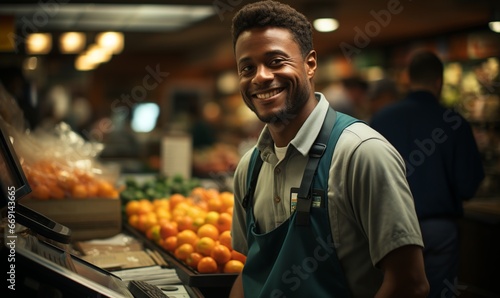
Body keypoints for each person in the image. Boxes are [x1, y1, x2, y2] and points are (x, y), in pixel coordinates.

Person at [229, 1, 429, 297]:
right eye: (247, 68)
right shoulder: (250, 167)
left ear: (310, 64)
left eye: (275, 61)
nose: (260, 77)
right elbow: (253, 271)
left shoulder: (362, 153)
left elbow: (409, 283)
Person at [370, 50, 485, 298]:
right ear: (439, 82)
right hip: (438, 229)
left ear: (408, 80)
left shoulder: (381, 119)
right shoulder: (455, 122)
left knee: (395, 290)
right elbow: (468, 185)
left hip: (390, 225)